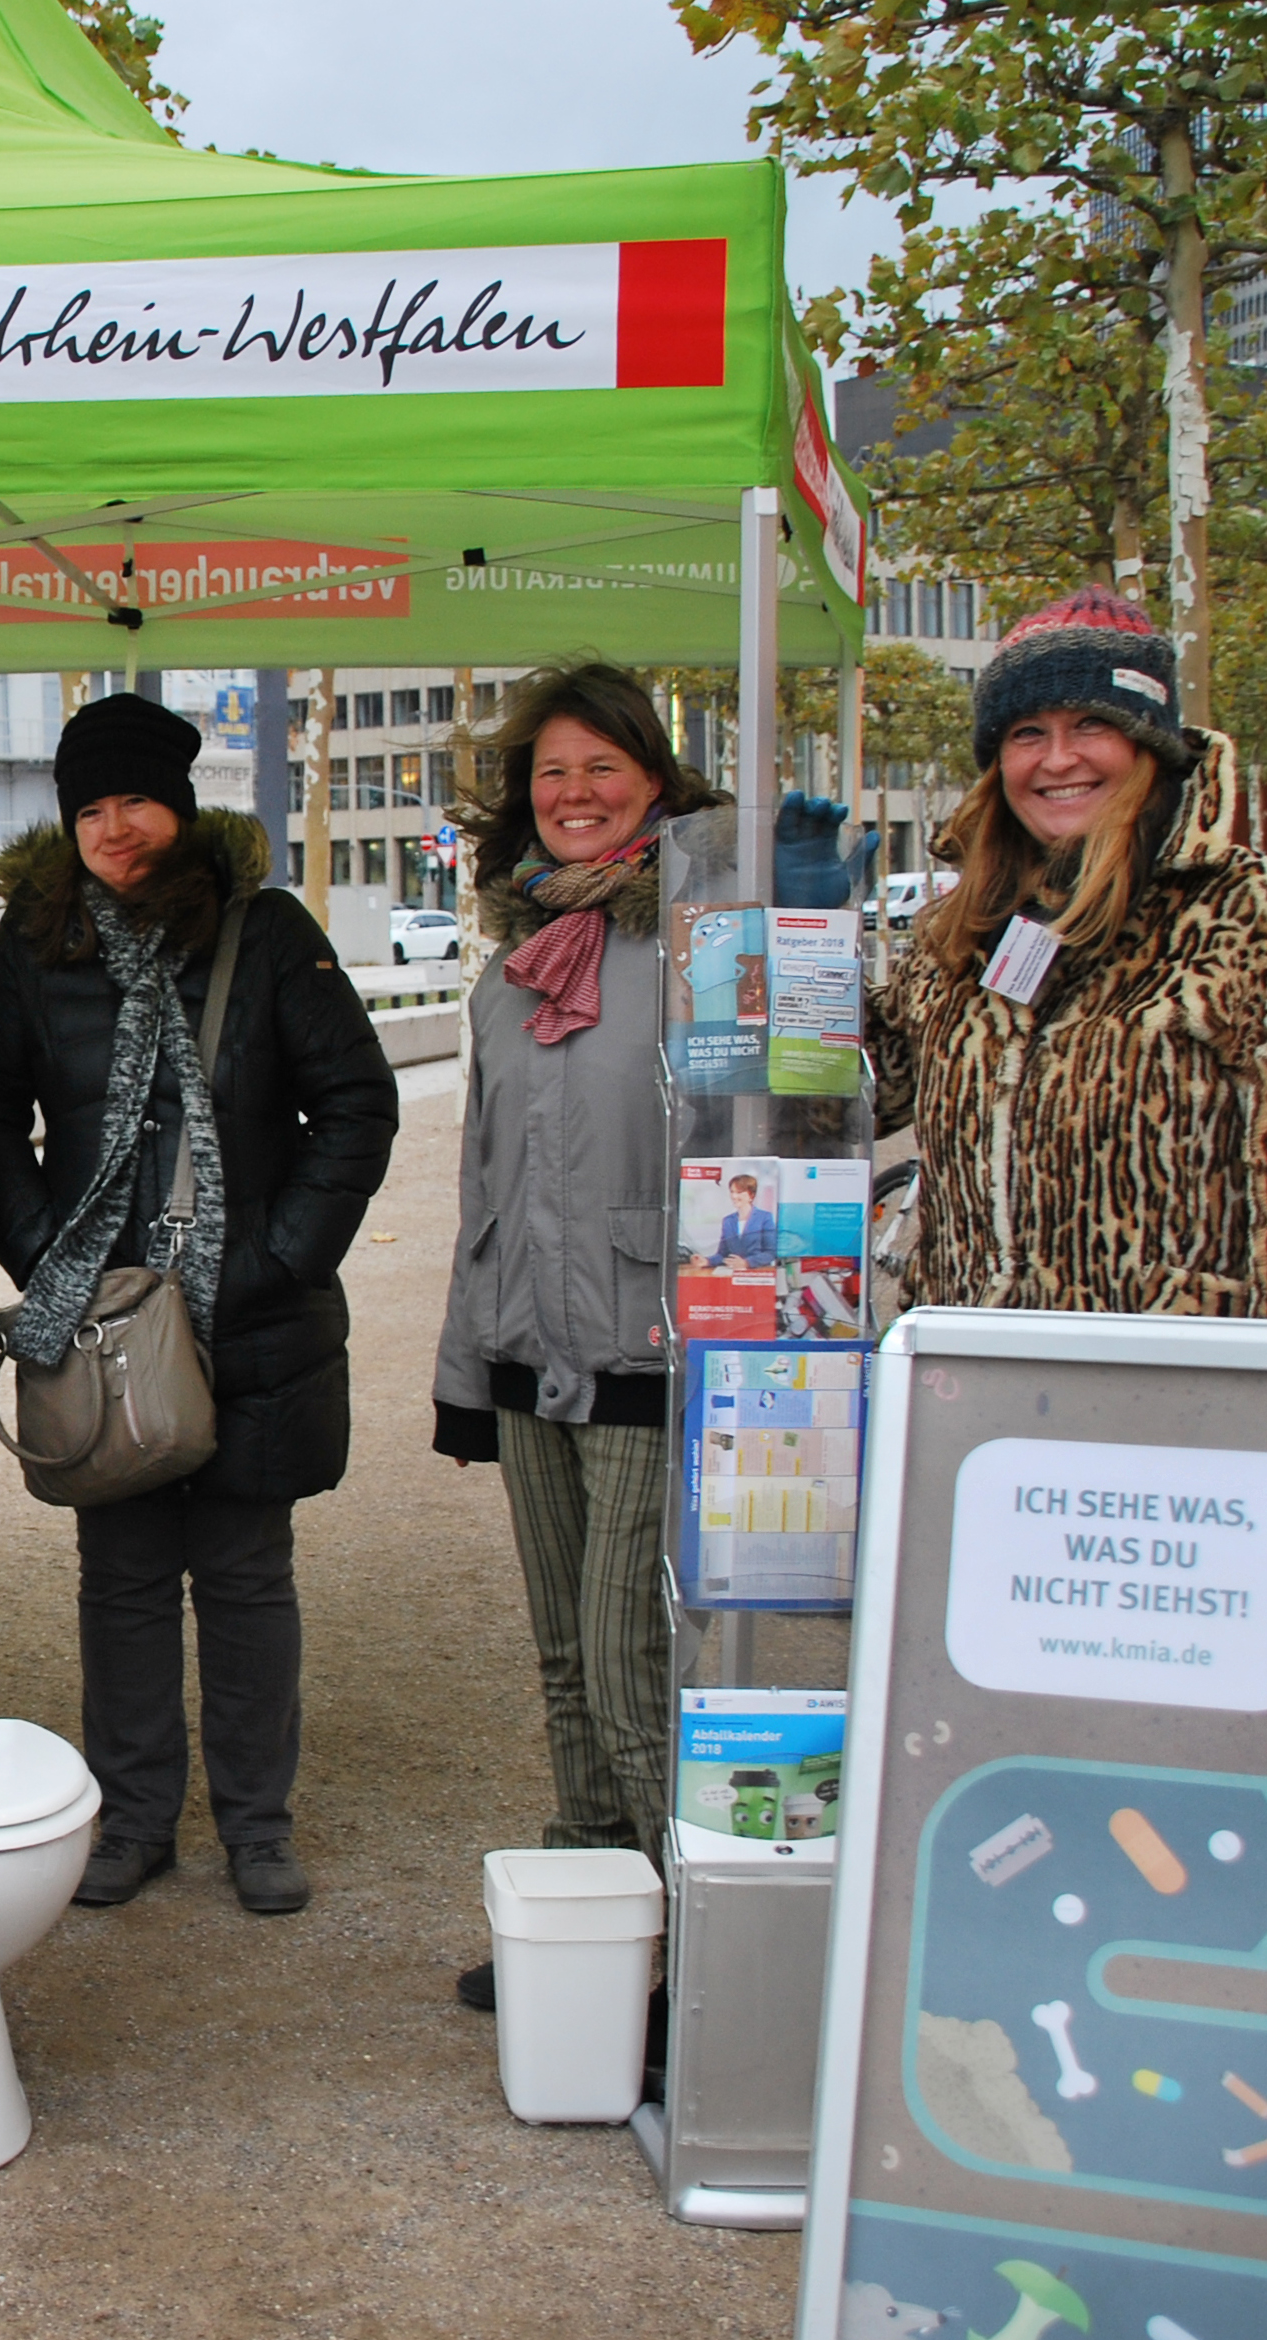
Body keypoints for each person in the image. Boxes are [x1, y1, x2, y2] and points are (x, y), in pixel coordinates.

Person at [427, 663, 866, 2023]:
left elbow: (818, 1104)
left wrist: (801, 921)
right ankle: (591, 1919)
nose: (571, 794)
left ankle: (701, 1963)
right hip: (523, 1345)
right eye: (550, 773)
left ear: (656, 785)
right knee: (562, 1651)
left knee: (630, 1658)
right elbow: (485, 1172)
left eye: (600, 769)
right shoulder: (511, 959)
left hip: (653, 1341)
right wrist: (460, 1365)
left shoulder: (706, 935)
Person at [0, 693, 397, 1917]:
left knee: (247, 1571)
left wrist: (268, 1258)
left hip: (252, 1312)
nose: (114, 827)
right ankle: (136, 1817)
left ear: (182, 804)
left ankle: (257, 1824)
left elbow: (356, 1108)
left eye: (136, 801)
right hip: (103, 1315)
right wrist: (43, 1253)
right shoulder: (37, 944)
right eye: (90, 807)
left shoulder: (265, 934)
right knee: (120, 1570)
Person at [870, 587, 1267, 1319]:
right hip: (976, 1381)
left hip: (1169, 1391)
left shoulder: (1253, 915)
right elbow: (859, 1096)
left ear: (1148, 743)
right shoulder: (964, 926)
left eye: (1090, 725)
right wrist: (802, 937)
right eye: (1026, 733)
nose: (1058, 759)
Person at [708, 1172, 776, 1266]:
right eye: (732, 1192)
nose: (734, 1196)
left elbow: (770, 1253)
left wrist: (746, 1263)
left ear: (751, 1195)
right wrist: (707, 1261)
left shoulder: (765, 1218)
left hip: (758, 1272)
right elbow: (722, 1254)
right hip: (733, 1273)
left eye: (739, 1192)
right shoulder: (728, 1221)